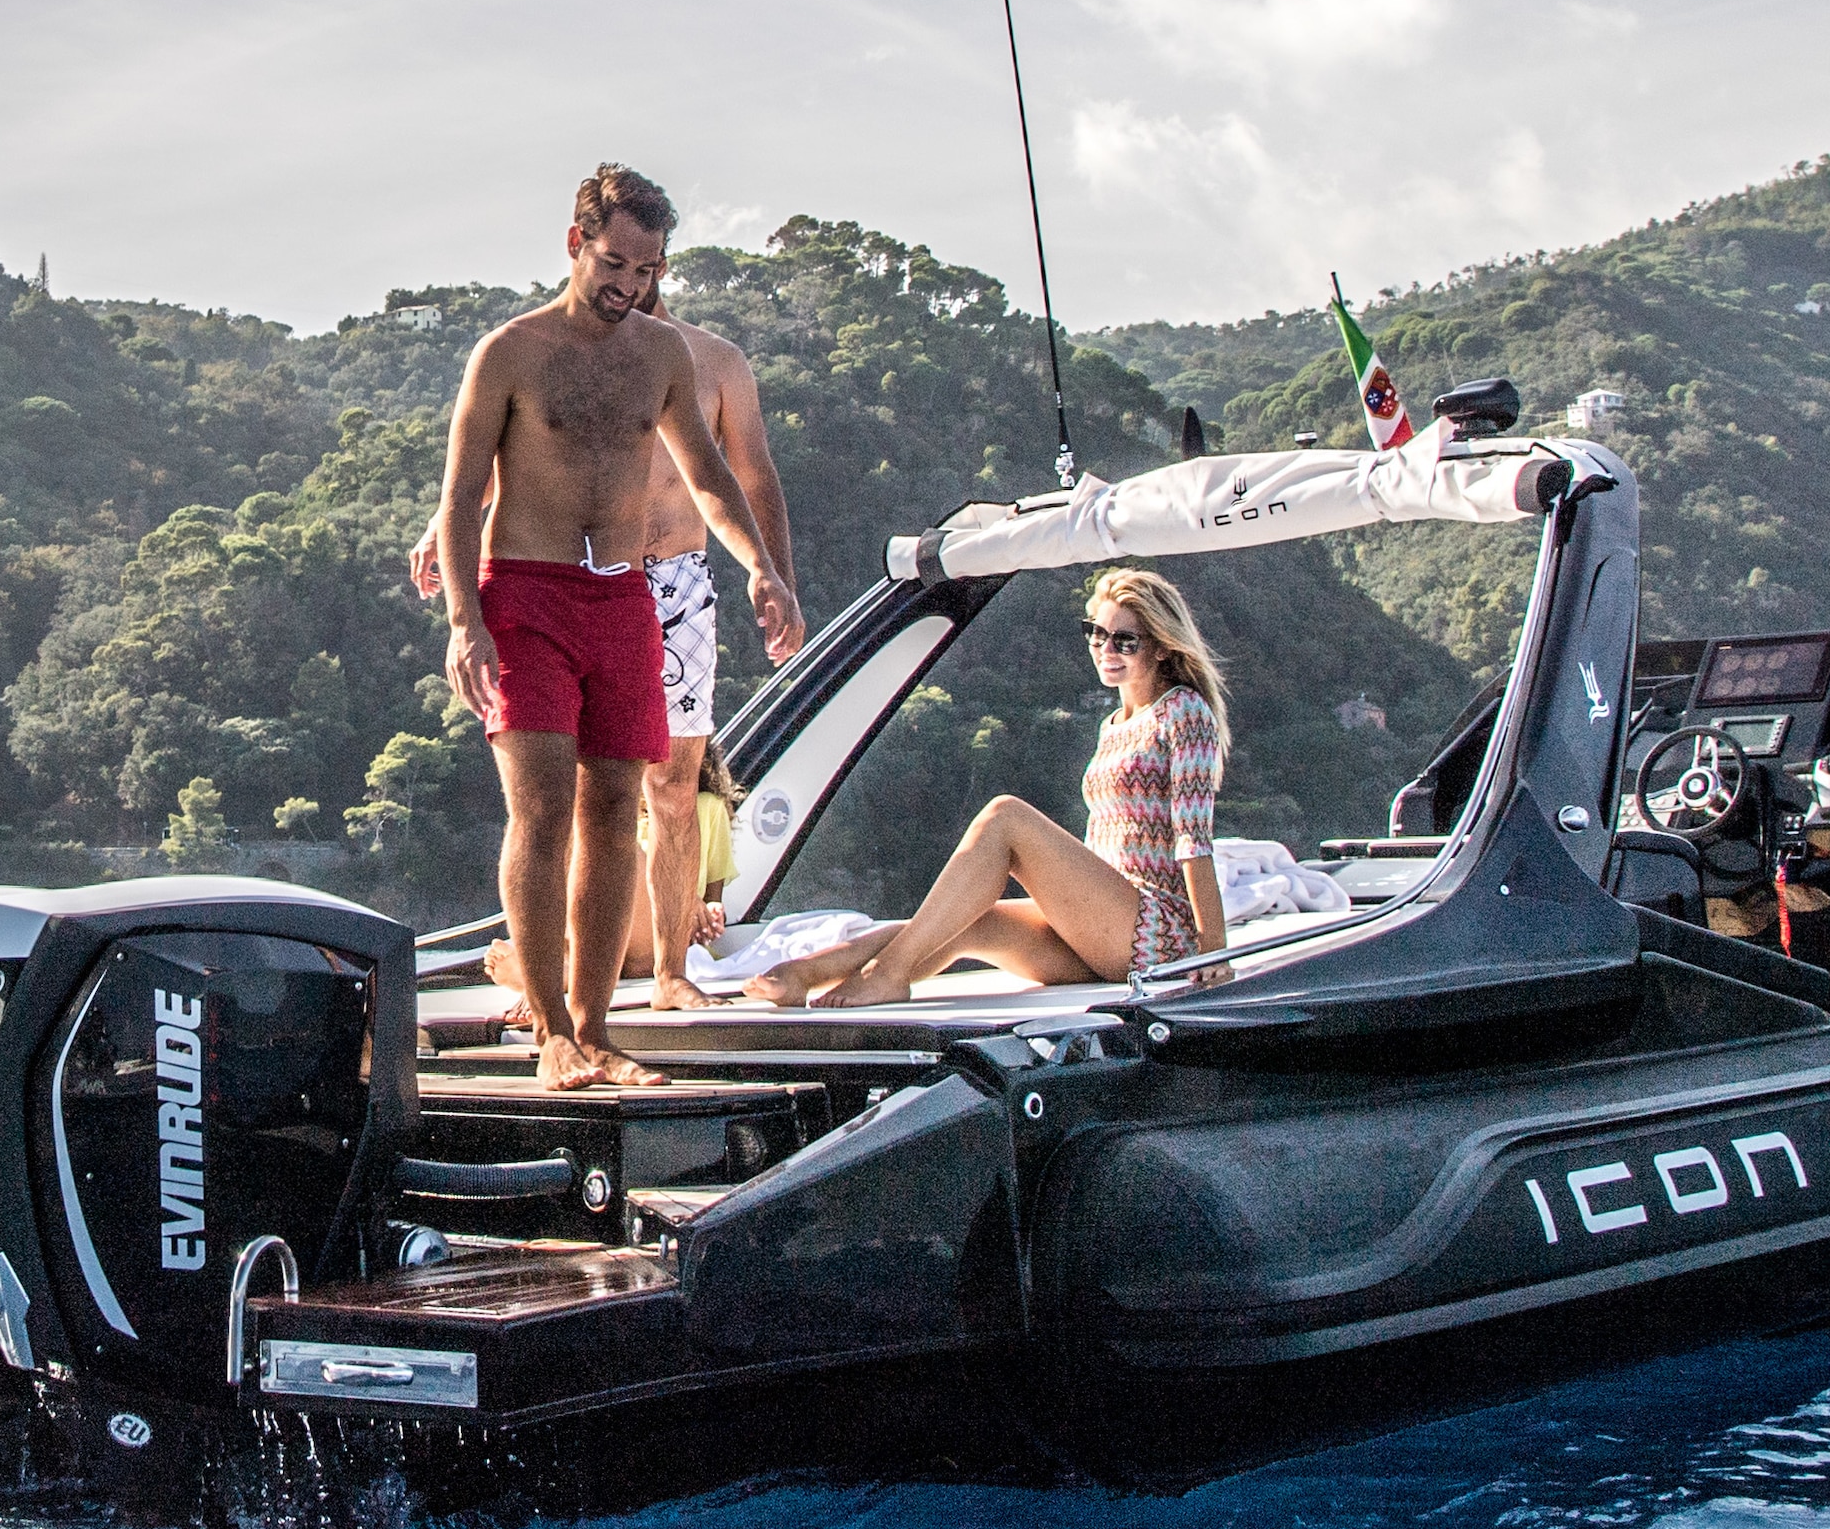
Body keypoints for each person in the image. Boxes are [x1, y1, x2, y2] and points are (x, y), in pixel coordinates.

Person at [433, 165, 785, 1090]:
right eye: (614, 262)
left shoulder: (663, 356)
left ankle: (598, 1031)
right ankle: (550, 1032)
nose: (629, 284)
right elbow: (463, 495)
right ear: (574, 243)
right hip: (527, 593)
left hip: (625, 598)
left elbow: (710, 476)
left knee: (611, 814)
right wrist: (466, 621)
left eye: (647, 267)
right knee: (542, 810)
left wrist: (760, 568)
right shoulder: (509, 352)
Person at [752, 567, 1233, 1006]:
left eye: (1124, 641)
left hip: (1157, 933)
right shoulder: (1114, 723)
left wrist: (1212, 952)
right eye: (1096, 634)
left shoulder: (1183, 712)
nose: (1106, 650)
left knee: (1006, 816)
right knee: (964, 923)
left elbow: (1193, 840)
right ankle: (805, 974)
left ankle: (887, 973)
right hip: (1105, 925)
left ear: (1163, 646)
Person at [624, 303, 804, 1006]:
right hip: (591, 576)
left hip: (679, 583)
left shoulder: (716, 360)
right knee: (584, 792)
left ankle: (672, 975)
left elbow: (752, 475)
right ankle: (569, 979)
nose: (631, 279)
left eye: (644, 264)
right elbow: (509, 452)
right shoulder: (564, 348)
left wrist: (776, 578)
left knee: (674, 790)